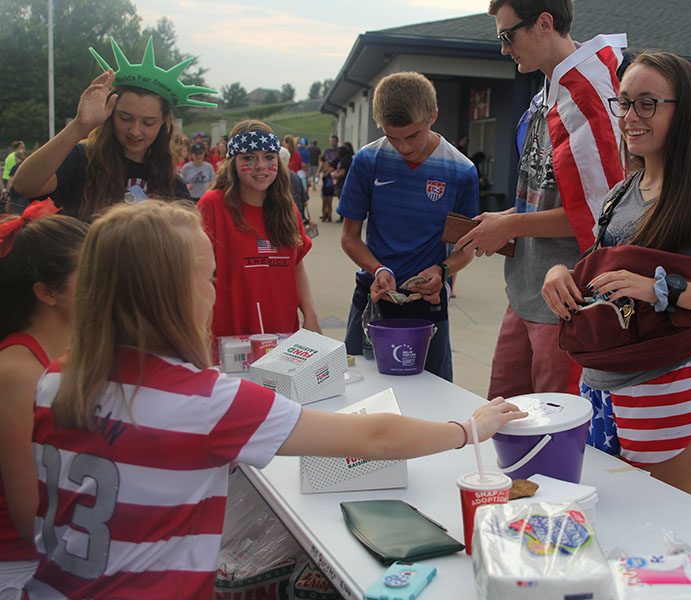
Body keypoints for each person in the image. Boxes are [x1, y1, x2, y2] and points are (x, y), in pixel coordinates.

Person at [23, 200, 526, 598]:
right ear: (174, 293)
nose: (216, 292)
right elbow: (374, 435)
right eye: (211, 277)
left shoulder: (55, 380)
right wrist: (467, 429)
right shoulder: (202, 402)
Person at [540, 51, 691, 494]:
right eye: (624, 102)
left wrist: (663, 288)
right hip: (597, 385)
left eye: (647, 103)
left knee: (661, 534)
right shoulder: (621, 191)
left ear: (683, 111)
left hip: (662, 388)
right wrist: (560, 273)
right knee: (606, 523)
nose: (631, 116)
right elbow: (599, 269)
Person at [458, 0, 627, 399]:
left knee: (553, 432)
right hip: (525, 291)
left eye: (507, 35)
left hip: (566, 298)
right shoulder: (549, 91)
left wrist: (511, 224)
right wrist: (502, 221)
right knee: (504, 414)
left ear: (544, 24)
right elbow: (547, 193)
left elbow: (600, 216)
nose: (503, 48)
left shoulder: (586, 94)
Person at [337, 71, 478, 382]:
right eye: (392, 137)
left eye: (412, 135)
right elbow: (349, 237)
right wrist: (377, 270)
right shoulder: (367, 161)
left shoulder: (461, 170)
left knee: (432, 403)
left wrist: (442, 271)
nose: (403, 147)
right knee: (361, 398)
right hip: (374, 297)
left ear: (433, 116)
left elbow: (466, 248)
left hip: (428, 304)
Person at [12, 37, 214, 220]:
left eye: (148, 122)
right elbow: (25, 185)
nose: (135, 131)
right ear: (111, 113)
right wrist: (79, 126)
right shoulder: (83, 160)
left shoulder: (172, 183)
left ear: (162, 123)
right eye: (125, 118)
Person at [0, 201, 87, 599]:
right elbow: (27, 515)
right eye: (91, 276)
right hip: (21, 565)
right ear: (46, 293)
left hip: (62, 549)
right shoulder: (18, 372)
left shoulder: (70, 350)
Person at [198, 120, 321, 341]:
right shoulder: (212, 206)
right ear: (232, 162)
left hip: (282, 334)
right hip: (229, 337)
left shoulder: (287, 208)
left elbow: (296, 266)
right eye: (248, 158)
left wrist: (310, 317)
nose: (261, 165)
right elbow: (196, 275)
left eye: (268, 157)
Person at [318, 135, 339, 221]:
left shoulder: (338, 151)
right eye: (331, 141)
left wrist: (330, 171)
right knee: (324, 200)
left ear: (337, 141)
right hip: (325, 178)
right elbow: (322, 162)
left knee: (330, 200)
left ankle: (329, 214)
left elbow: (338, 164)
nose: (332, 143)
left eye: (334, 141)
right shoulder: (327, 151)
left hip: (333, 177)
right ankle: (324, 214)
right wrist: (318, 172)